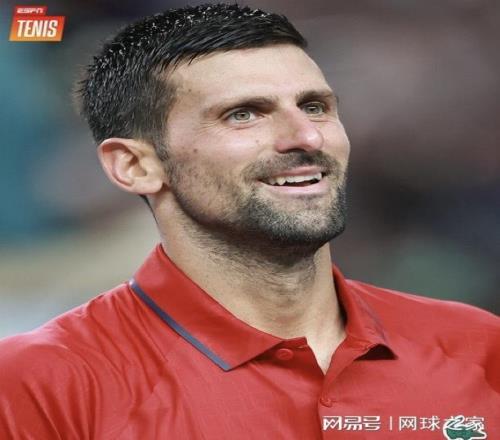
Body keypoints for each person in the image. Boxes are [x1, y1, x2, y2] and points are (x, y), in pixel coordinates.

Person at [0, 4, 498, 439]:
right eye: (243, 114)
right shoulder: (40, 383)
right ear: (135, 166)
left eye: (315, 107)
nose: (307, 137)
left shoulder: (478, 346)